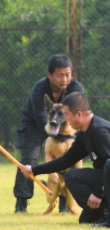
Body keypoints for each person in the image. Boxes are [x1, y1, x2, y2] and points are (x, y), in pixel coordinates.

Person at [20, 92, 110, 225]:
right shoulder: (84, 133)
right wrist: (33, 169)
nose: (65, 119)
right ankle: (101, 212)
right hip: (105, 178)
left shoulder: (99, 131)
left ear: (79, 114)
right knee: (72, 176)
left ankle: (105, 214)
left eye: (66, 114)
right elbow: (65, 161)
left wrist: (98, 193)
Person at [13, 54, 84, 213]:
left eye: (68, 74)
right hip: (35, 124)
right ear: (49, 75)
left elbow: (77, 114)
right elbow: (41, 117)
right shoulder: (39, 89)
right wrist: (54, 138)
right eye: (60, 75)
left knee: (68, 158)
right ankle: (21, 203)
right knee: (29, 158)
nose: (64, 79)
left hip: (65, 127)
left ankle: (64, 204)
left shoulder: (76, 89)